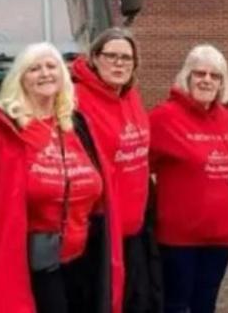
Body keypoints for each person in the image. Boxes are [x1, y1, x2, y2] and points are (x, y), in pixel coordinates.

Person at [0, 42, 123, 313]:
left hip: (82, 257)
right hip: (31, 262)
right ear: (21, 79)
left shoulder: (74, 125)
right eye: (34, 68)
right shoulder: (3, 128)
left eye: (51, 66)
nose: (45, 73)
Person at [69, 28, 160, 313]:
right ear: (94, 58)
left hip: (134, 228)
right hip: (98, 230)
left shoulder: (131, 96)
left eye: (126, 58)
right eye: (112, 56)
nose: (119, 64)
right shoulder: (76, 101)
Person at [149, 44, 228, 313]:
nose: (207, 80)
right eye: (200, 73)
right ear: (187, 77)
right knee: (175, 305)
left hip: (220, 236)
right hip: (178, 238)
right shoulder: (164, 117)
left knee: (206, 304)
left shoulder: (227, 119)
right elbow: (138, 165)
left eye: (215, 76)